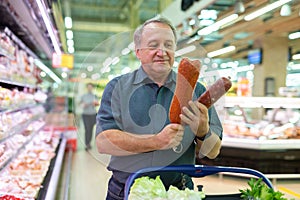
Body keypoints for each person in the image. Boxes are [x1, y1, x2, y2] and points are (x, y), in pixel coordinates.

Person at [96, 15, 223, 200]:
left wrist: (203, 131)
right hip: (126, 191)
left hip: (180, 193)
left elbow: (213, 152)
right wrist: (156, 141)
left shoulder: (197, 89)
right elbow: (103, 142)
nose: (162, 51)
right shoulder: (117, 88)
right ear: (138, 51)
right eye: (153, 45)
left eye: (168, 45)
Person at [80, 83, 99, 150]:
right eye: (88, 87)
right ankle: (87, 143)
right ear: (87, 88)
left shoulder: (95, 96)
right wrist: (84, 104)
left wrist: (95, 103)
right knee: (87, 129)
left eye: (91, 87)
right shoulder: (83, 96)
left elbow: (97, 104)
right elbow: (80, 105)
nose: (89, 88)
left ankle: (89, 143)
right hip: (85, 115)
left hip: (93, 114)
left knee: (90, 129)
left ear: (92, 88)